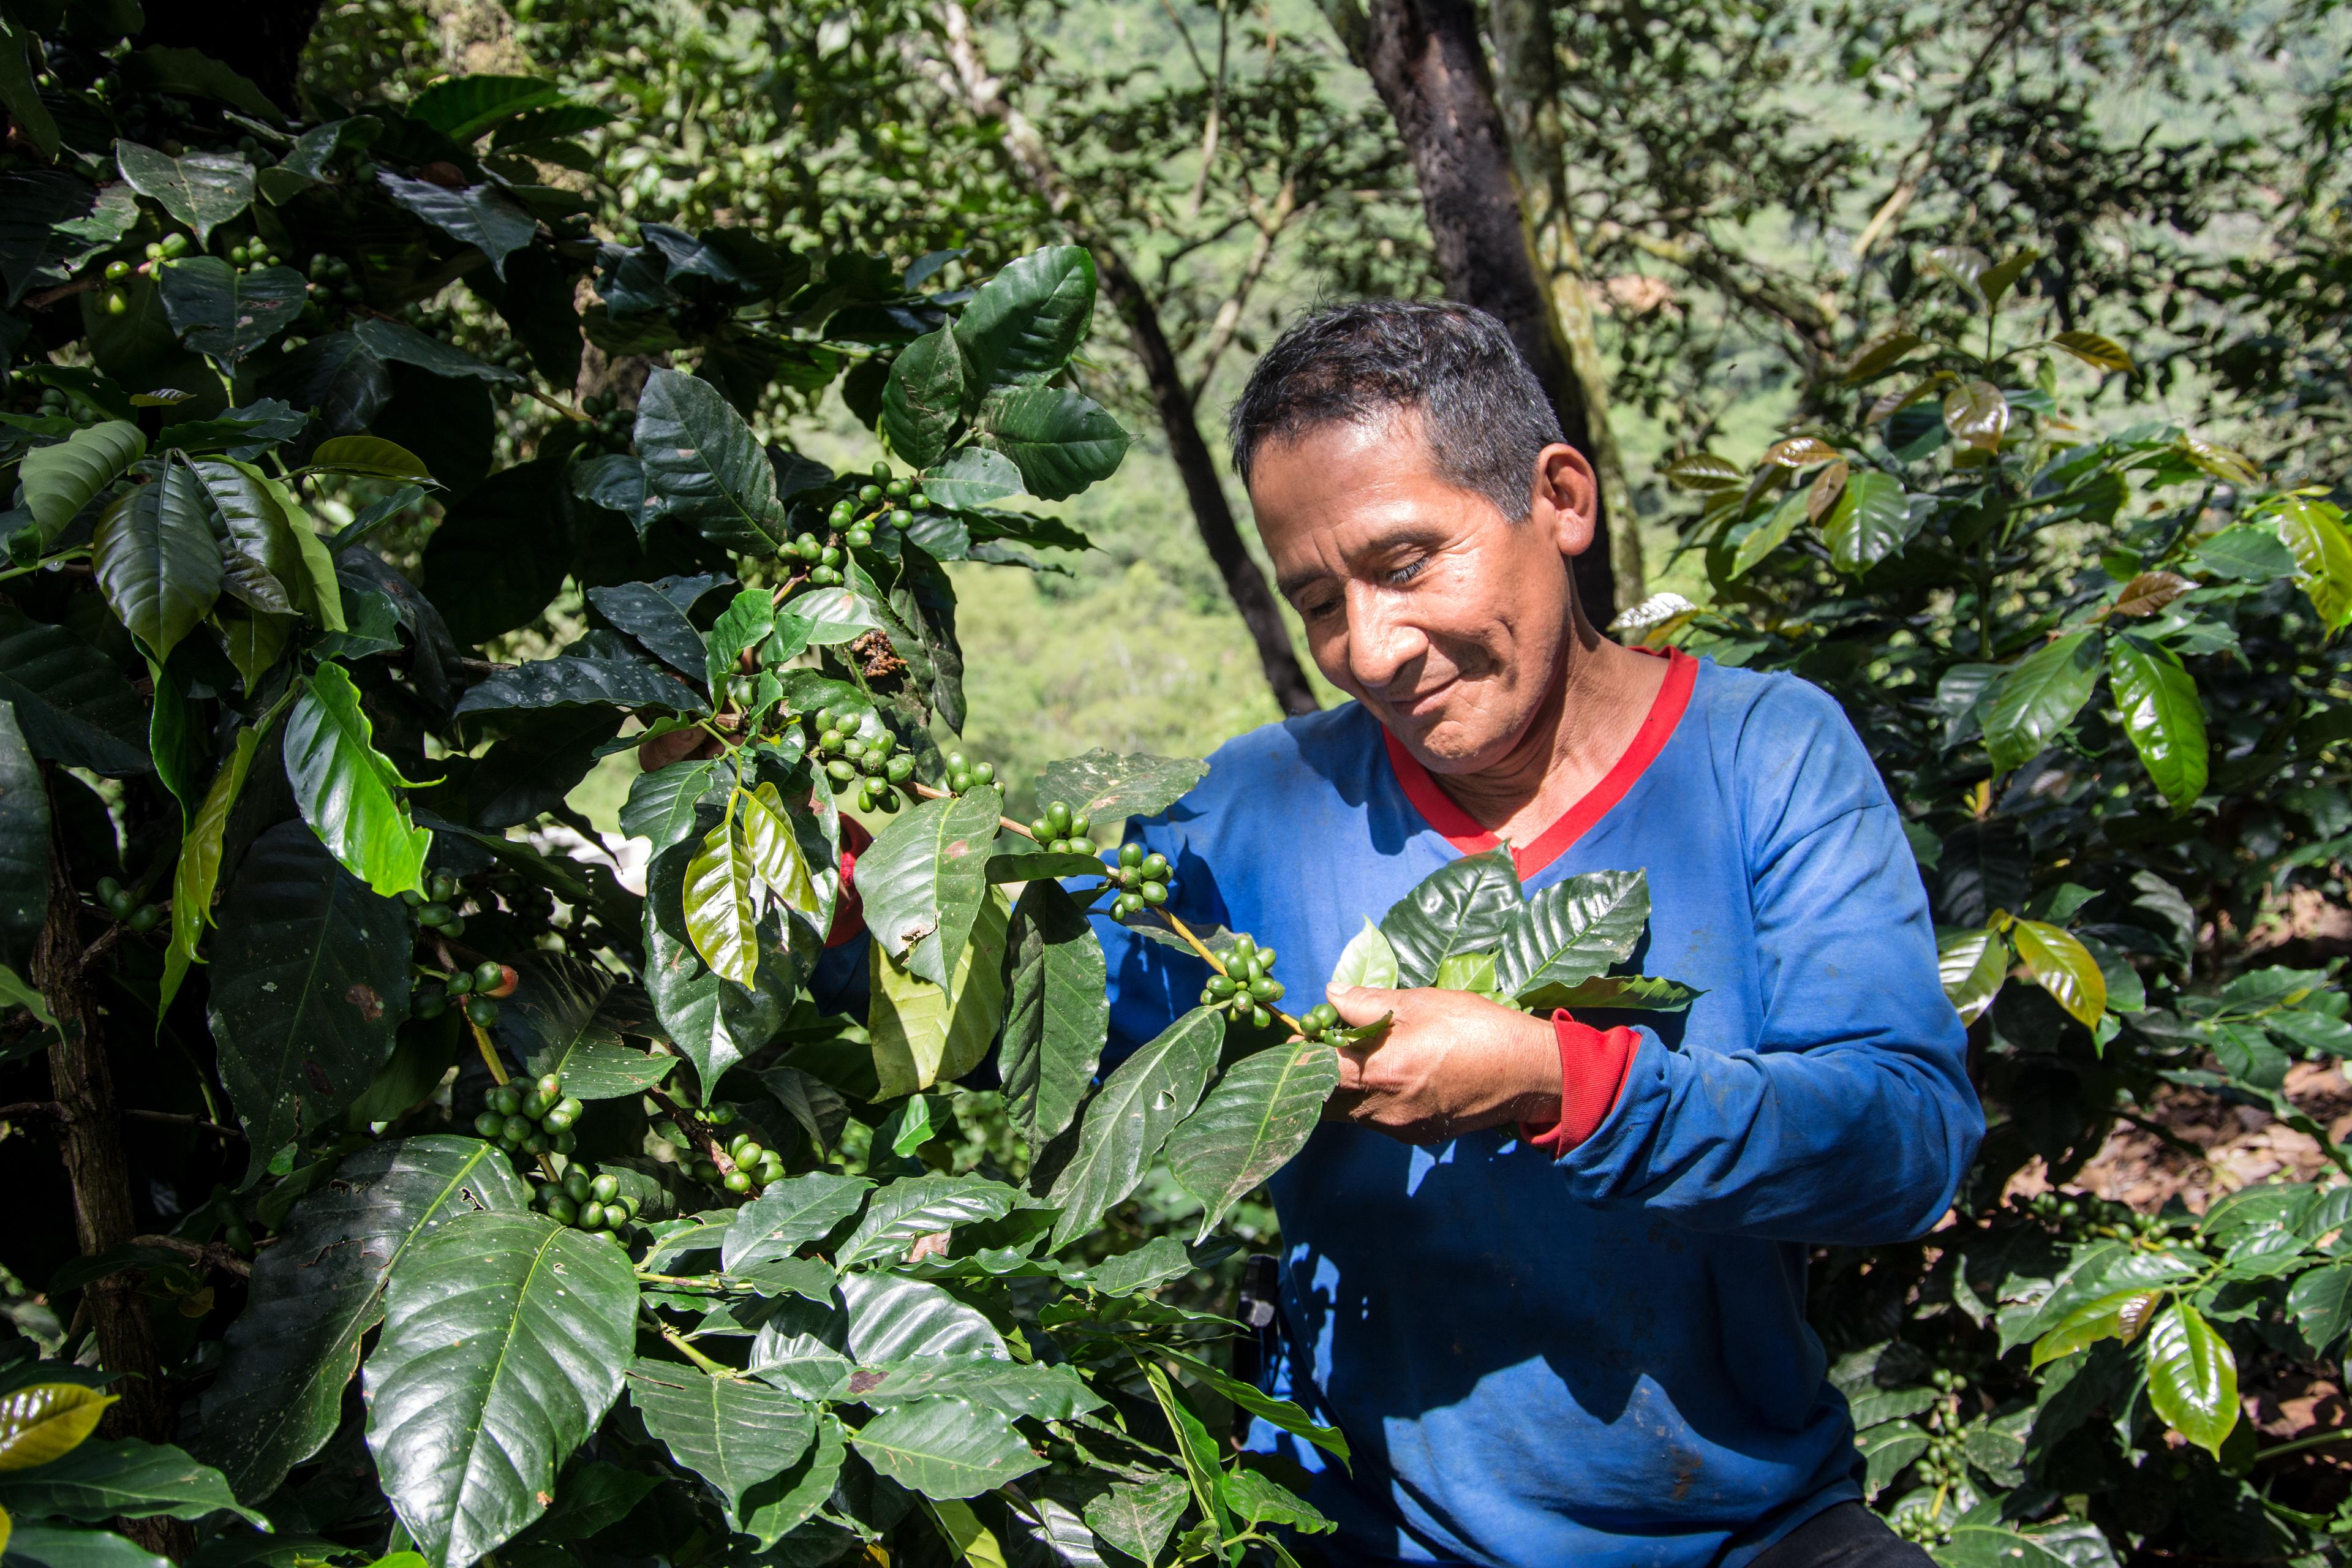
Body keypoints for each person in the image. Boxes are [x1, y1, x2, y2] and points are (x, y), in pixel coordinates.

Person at [1091, 300, 1984, 1568]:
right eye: (1317, 603)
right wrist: (851, 885)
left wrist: (1565, 1083)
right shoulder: (1253, 811)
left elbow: (1908, 1140)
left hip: (1744, 1530)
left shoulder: (1762, 755)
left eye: (1405, 563)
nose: (1372, 646)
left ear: (1560, 497)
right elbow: (1030, 973)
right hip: (1363, 1533)